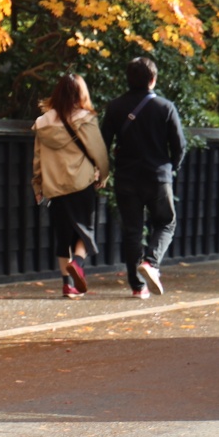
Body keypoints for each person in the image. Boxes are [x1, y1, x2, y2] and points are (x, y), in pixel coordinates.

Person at [101, 57, 184, 299]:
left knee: (132, 231)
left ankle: (138, 287)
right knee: (166, 222)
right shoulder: (164, 107)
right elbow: (179, 145)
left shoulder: (115, 107)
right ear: (153, 79)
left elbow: (103, 143)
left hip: (126, 177)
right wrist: (171, 168)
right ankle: (151, 262)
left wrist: (105, 169)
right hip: (158, 176)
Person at [33, 73, 108, 299]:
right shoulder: (86, 119)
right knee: (85, 230)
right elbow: (99, 152)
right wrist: (103, 174)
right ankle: (77, 263)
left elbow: (38, 159)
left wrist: (37, 185)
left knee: (63, 236)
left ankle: (68, 285)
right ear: (81, 94)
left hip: (54, 186)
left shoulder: (43, 122)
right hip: (81, 183)